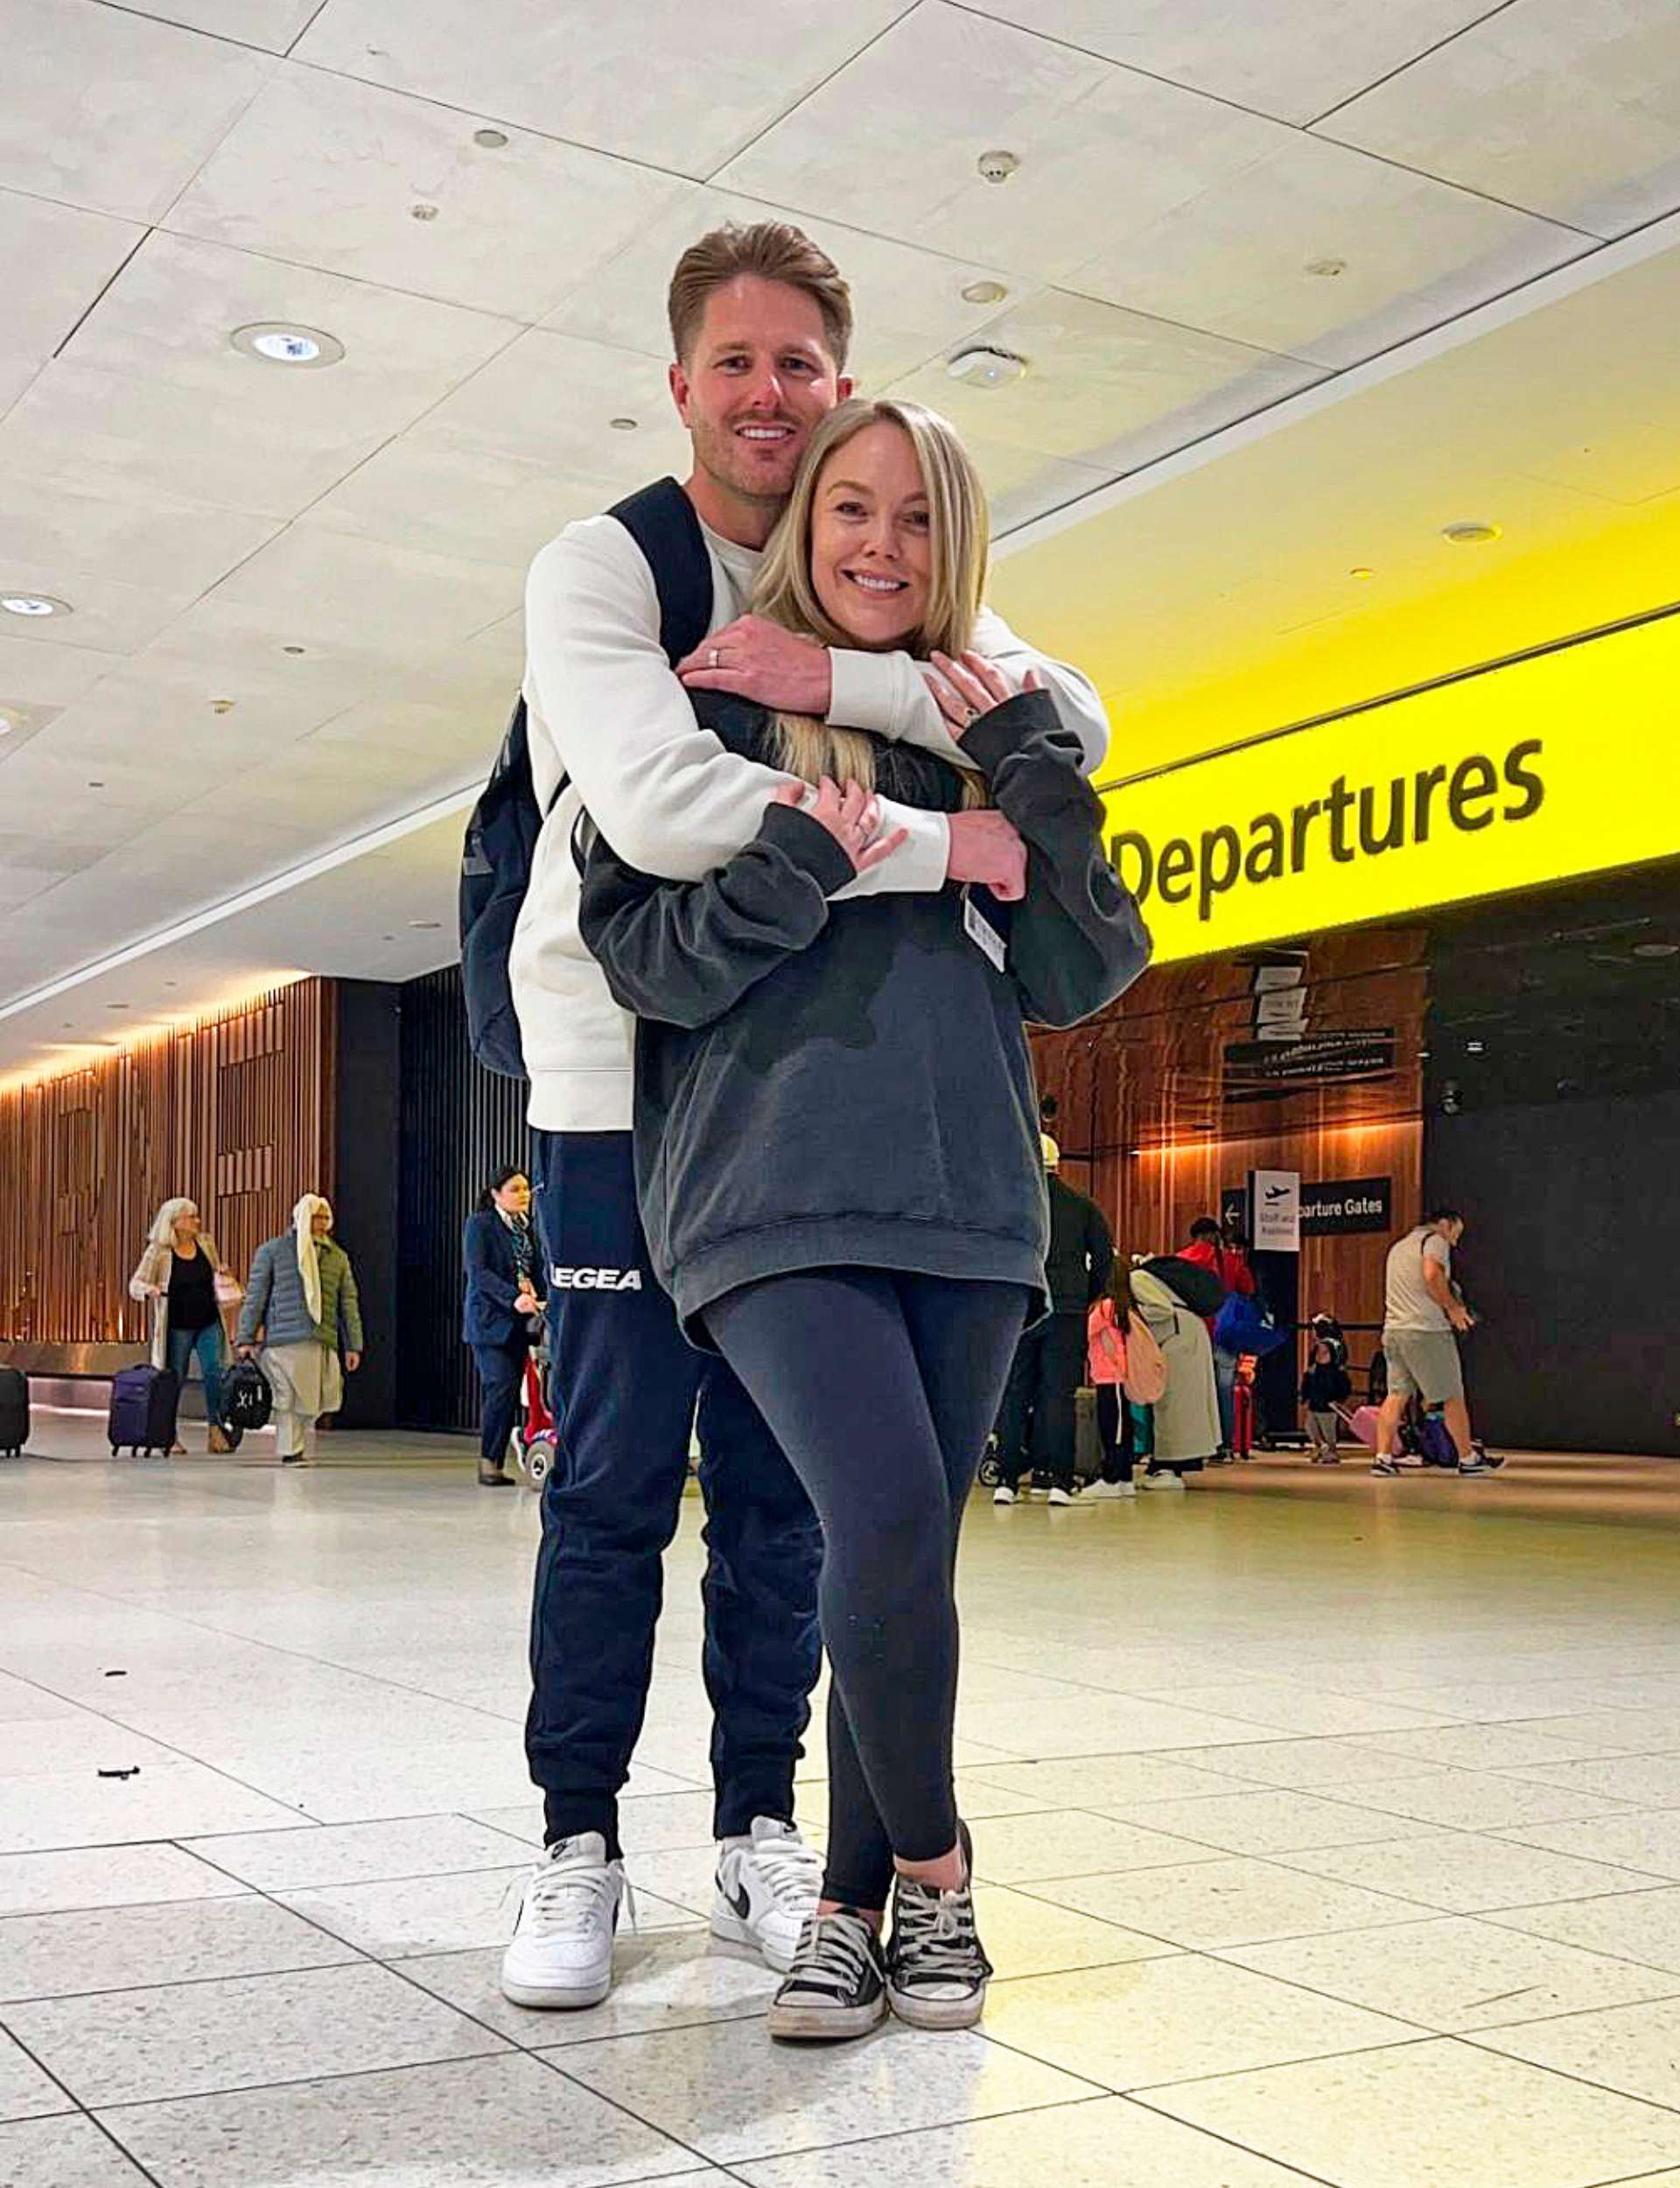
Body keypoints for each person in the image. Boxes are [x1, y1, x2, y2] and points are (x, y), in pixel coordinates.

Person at [500, 219, 1112, 2016]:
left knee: (800, 1504)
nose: (771, 396)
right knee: (613, 1484)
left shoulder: (879, 539)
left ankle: (780, 1827)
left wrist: (843, 690)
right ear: (682, 380)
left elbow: (1065, 715)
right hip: (630, 1074)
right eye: (737, 363)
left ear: (842, 383)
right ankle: (577, 1838)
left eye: (801, 364)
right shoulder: (609, 565)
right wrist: (958, 840)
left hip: (873, 1131)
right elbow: (668, 805)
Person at [992, 1137, 1114, 1506]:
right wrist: (1083, 1293)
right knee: (1058, 1395)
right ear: (1058, 1163)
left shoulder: (1014, 1204)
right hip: (1067, 1309)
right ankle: (1058, 1480)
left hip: (1023, 1305)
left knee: (1016, 1392)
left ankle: (1007, 1479)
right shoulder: (1082, 1206)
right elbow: (1104, 1260)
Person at [1371, 1207, 1503, 1478]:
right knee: (1452, 1396)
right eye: (1456, 1232)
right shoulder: (1434, 1241)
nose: (1456, 1241)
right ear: (1444, 1224)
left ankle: (1382, 1458)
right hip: (1426, 1331)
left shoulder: (1398, 1247)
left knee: (1396, 1394)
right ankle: (1467, 1458)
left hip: (1395, 1330)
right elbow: (1432, 1275)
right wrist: (1454, 1309)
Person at [234, 1195, 363, 1465]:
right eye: (317, 1217)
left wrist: (354, 1344)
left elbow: (348, 1302)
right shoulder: (274, 1251)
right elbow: (256, 1296)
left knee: (320, 1398)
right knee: (288, 1398)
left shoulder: (337, 1257)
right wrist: (245, 1337)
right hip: (284, 1341)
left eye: (326, 1217)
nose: (322, 1223)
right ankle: (291, 1450)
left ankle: (295, 1445)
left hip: (321, 1339)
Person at [128, 1197, 240, 1455]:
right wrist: (151, 1289)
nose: (197, 1221)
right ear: (175, 1223)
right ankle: (168, 1433)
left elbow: (213, 1274)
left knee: (215, 1371)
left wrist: (222, 1273)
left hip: (208, 1320)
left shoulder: (206, 1244)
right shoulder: (159, 1252)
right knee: (174, 1378)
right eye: (191, 1217)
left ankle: (215, 1428)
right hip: (177, 1325)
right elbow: (135, 1284)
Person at [463, 1167, 544, 1489]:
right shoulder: (481, 1225)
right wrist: (513, 1298)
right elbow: (479, 1273)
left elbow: (536, 1270)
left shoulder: (528, 1229)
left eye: (526, 1189)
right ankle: (489, 1461)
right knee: (501, 1385)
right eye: (515, 1189)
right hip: (490, 1322)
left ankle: (518, 1443)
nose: (523, 1195)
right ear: (496, 1194)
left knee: (520, 1391)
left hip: (524, 1322)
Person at [1130, 1260, 1221, 1486]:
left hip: (1177, 1338)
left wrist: (1130, 1314)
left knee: (1173, 1405)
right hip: (1184, 1334)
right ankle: (1165, 1465)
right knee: (1184, 1405)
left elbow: (1161, 1309)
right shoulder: (1144, 1276)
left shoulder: (1136, 1279)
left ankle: (1169, 1468)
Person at [1180, 1216, 1255, 1462]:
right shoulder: (1230, 1260)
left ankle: (1197, 1445)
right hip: (1226, 1332)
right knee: (1224, 1389)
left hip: (1194, 1331)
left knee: (1196, 1390)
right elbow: (1249, 1288)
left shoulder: (1183, 1260)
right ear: (1213, 1235)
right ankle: (1224, 1446)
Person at [1084, 1266, 1138, 1499]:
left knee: (1111, 1429)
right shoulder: (1124, 1307)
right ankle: (1125, 1477)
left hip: (1109, 1376)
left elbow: (1085, 1332)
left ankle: (1111, 1478)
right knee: (1123, 1427)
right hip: (1119, 1376)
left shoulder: (1105, 1307)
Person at [1300, 1336, 1352, 1462]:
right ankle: (1318, 1447)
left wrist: (1339, 1400)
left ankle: (1331, 1450)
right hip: (1314, 1406)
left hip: (1329, 1408)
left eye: (1325, 1352)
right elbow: (1305, 1386)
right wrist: (1304, 1399)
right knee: (1311, 1427)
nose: (1321, 1355)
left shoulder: (1337, 1372)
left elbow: (1345, 1388)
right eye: (1318, 1352)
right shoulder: (1312, 1371)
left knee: (1329, 1431)